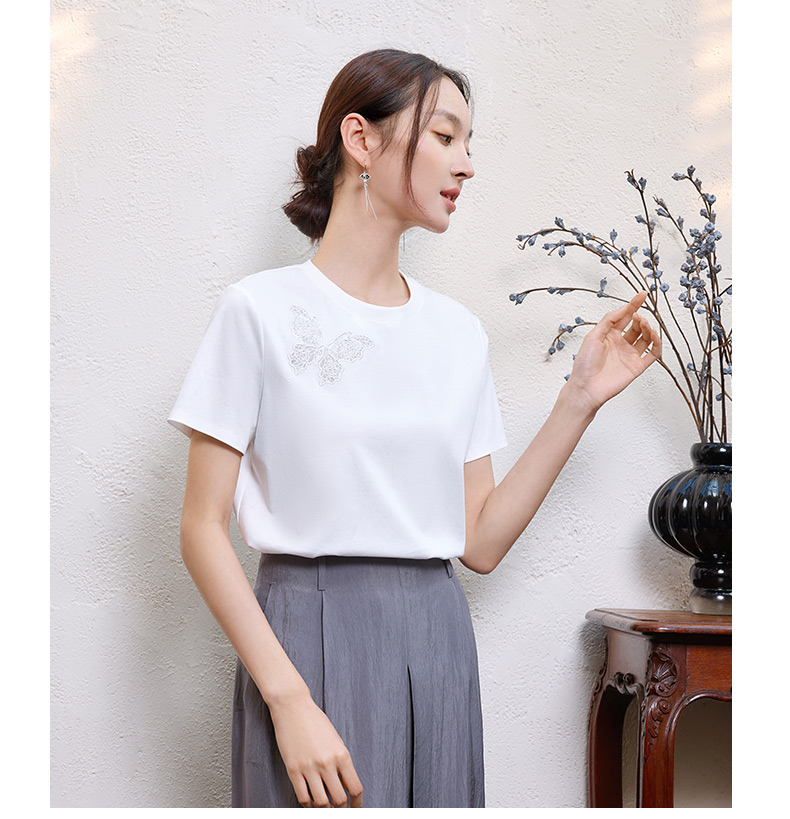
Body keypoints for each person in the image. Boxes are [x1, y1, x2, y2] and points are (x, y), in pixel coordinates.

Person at [168, 48, 661, 809]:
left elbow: (480, 541)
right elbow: (201, 527)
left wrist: (579, 399)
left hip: (436, 640)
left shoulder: (456, 333)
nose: (466, 164)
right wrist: (289, 699)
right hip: (303, 636)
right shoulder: (258, 312)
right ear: (360, 138)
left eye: (468, 143)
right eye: (444, 135)